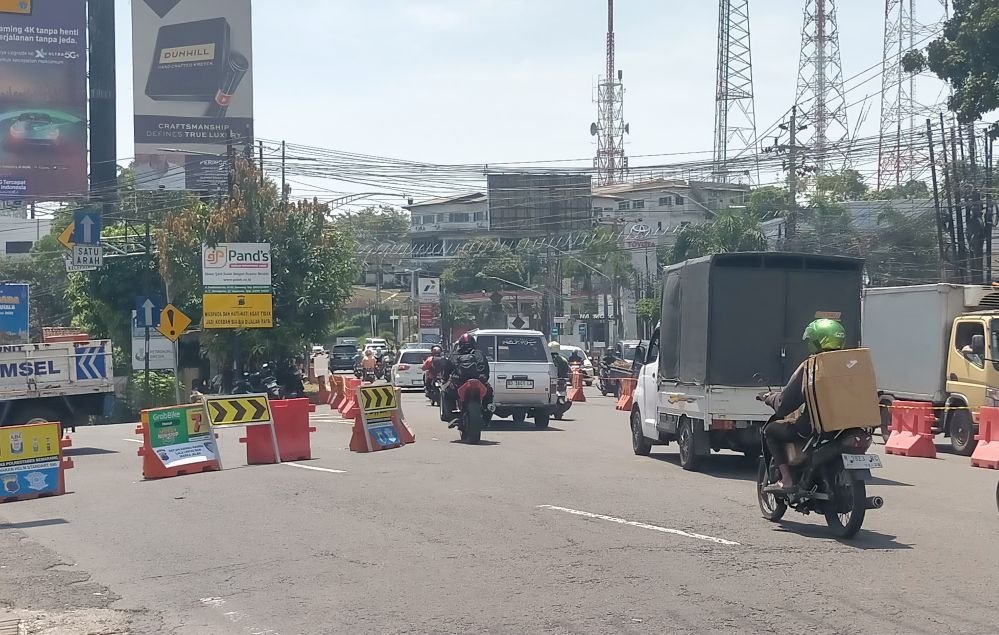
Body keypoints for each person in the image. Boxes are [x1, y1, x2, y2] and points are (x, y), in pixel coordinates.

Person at [760, 318, 847, 495]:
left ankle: (787, 480)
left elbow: (784, 404)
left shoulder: (811, 367)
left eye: (810, 340)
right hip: (848, 427)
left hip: (814, 428)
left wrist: (769, 398)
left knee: (770, 431)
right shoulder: (849, 365)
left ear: (817, 341)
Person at [441, 333, 491, 425]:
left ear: (460, 344)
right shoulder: (479, 354)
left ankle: (451, 415)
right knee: (489, 392)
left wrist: (444, 379)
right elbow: (486, 370)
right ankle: (488, 412)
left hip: (459, 383)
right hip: (479, 382)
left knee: (445, 392)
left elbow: (447, 370)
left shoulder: (454, 355)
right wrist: (484, 379)